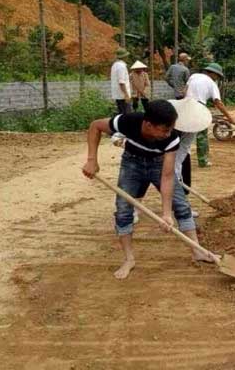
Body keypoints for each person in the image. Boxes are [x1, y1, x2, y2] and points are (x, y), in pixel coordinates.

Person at [81, 100, 213, 280]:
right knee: (123, 211)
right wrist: (91, 160)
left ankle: (198, 251)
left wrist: (166, 213)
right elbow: (95, 126)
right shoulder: (128, 121)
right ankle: (129, 259)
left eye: (170, 129)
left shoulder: (171, 139)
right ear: (148, 124)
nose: (168, 134)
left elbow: (167, 176)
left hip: (158, 164)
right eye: (164, 130)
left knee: (181, 206)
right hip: (132, 163)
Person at [167, 98, 213, 219]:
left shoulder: (192, 128)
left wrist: (175, 171)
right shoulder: (164, 114)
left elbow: (182, 150)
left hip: (176, 149)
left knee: (181, 176)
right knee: (141, 180)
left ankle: (181, 206)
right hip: (150, 150)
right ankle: (133, 208)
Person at [185, 63, 235, 168]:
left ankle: (182, 158)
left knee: (185, 132)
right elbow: (218, 102)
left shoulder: (194, 76)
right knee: (201, 135)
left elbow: (185, 90)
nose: (217, 78)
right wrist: (229, 117)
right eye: (217, 76)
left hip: (186, 104)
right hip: (199, 106)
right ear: (213, 73)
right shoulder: (212, 84)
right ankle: (203, 161)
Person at [111, 47, 132, 115]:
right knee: (127, 116)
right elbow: (121, 82)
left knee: (121, 115)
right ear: (124, 57)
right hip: (123, 96)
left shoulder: (114, 65)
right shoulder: (122, 66)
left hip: (118, 95)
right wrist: (126, 95)